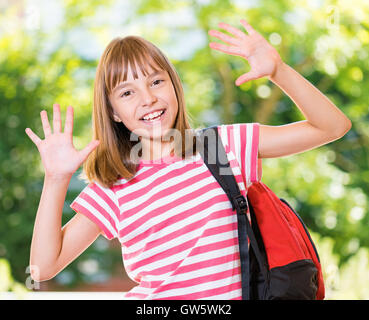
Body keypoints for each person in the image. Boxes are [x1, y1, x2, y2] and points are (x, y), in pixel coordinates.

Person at [25, 19, 351, 300]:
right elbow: (43, 266)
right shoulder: (114, 185)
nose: (148, 98)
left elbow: (333, 126)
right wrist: (56, 179)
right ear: (113, 112)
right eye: (127, 92)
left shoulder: (223, 148)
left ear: (174, 85)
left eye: (156, 81)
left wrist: (279, 71)